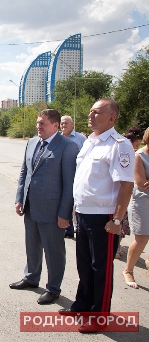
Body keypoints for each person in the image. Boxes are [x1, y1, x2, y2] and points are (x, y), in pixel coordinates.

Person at [59, 99, 135, 334]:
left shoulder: (119, 145)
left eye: (97, 112)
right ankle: (82, 305)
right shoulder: (90, 142)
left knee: (100, 267)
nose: (90, 115)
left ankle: (100, 315)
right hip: (83, 214)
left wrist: (117, 220)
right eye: (90, 112)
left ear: (111, 118)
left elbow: (126, 184)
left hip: (104, 218)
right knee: (84, 265)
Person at [11, 109, 79, 305]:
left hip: (52, 211)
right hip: (31, 206)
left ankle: (53, 288)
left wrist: (65, 213)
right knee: (31, 246)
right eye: (38, 123)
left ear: (55, 126)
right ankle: (31, 278)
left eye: (43, 124)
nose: (38, 126)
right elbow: (24, 172)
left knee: (53, 251)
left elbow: (69, 184)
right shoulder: (32, 143)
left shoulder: (67, 146)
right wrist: (20, 198)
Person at [123, 127, 149, 288]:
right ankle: (128, 270)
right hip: (142, 202)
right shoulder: (139, 155)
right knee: (142, 238)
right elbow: (141, 183)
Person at [115, 126, 142, 259]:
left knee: (122, 222)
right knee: (118, 221)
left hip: (130, 193)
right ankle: (116, 248)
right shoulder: (123, 149)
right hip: (120, 193)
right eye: (136, 144)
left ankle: (117, 246)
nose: (137, 147)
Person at [60, 115, 87, 238]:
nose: (63, 125)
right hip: (61, 175)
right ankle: (67, 228)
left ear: (73, 124)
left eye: (66, 123)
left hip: (77, 175)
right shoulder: (58, 138)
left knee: (75, 202)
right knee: (64, 201)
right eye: (61, 123)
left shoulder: (80, 138)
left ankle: (78, 227)